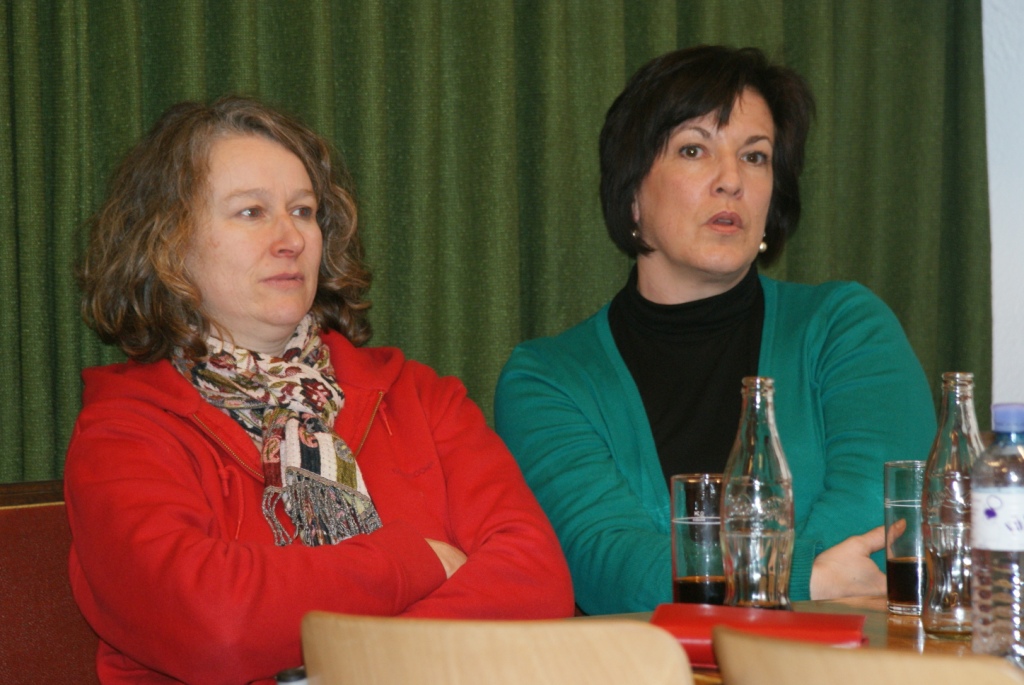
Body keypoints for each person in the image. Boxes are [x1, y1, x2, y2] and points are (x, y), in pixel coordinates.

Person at [67, 96, 574, 684]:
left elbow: (537, 584)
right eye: (251, 212)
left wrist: (352, 660)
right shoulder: (124, 433)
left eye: (303, 211)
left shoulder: (417, 396)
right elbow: (217, 624)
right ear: (169, 243)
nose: (291, 238)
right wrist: (414, 561)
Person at [494, 45, 936, 615]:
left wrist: (761, 582)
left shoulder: (846, 328)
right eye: (694, 149)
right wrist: (807, 579)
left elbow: (877, 527)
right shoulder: (546, 380)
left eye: (755, 157)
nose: (732, 181)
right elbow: (608, 563)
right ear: (632, 193)